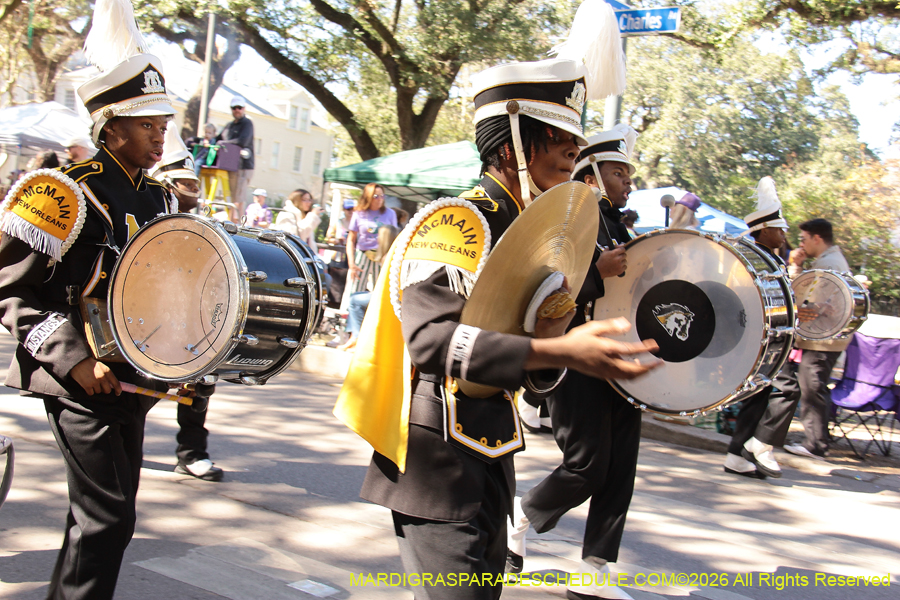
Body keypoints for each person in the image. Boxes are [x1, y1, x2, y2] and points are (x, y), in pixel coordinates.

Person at [334, 9, 657, 594]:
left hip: (492, 454)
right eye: (558, 141)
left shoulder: (526, 233)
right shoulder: (458, 221)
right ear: (512, 145)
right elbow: (431, 342)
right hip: (436, 466)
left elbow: (527, 374)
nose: (571, 156)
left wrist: (554, 335)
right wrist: (559, 348)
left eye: (574, 143)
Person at [0, 4, 177, 595]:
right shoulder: (59, 192)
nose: (160, 137)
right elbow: (10, 291)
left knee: (99, 522)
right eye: (147, 126)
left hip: (134, 377)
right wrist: (73, 356)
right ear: (111, 129)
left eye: (163, 126)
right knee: (108, 521)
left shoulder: (162, 202)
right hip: (80, 378)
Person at [509, 124, 642, 600]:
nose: (628, 180)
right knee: (587, 465)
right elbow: (544, 289)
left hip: (617, 357)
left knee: (620, 467)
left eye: (629, 172)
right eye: (618, 171)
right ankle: (521, 517)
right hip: (574, 355)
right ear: (592, 171)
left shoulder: (622, 224)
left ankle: (596, 569)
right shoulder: (572, 216)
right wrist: (595, 275)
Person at [149, 127, 223, 482]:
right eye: (185, 183)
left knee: (200, 385)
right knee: (139, 390)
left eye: (195, 184)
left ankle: (192, 452)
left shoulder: (203, 223)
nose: (195, 191)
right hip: (143, 317)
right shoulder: (145, 213)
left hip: (189, 317)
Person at [723, 176, 798, 479]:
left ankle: (736, 457)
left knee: (759, 396)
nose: (784, 234)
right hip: (755, 338)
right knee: (789, 388)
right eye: (779, 228)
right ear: (763, 230)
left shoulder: (773, 259)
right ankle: (762, 443)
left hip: (770, 337)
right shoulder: (748, 256)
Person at [781, 218, 852, 459]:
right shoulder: (829, 261)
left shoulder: (828, 265)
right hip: (825, 336)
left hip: (823, 338)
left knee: (812, 386)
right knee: (813, 385)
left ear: (816, 238)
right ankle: (817, 440)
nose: (801, 245)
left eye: (803, 239)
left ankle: (815, 444)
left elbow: (802, 301)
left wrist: (794, 269)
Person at [343, 183, 398, 306]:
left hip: (382, 255)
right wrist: (351, 264)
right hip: (362, 254)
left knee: (381, 290)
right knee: (355, 289)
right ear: (368, 196)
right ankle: (349, 319)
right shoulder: (359, 213)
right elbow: (351, 240)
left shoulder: (390, 213)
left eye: (382, 196)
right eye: (376, 196)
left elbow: (394, 237)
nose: (379, 199)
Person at [217, 95, 254, 218]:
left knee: (238, 198)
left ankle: (239, 226)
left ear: (244, 108)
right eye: (234, 108)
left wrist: (223, 144)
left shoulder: (247, 123)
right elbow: (218, 139)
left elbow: (243, 141)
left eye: (239, 107)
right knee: (231, 197)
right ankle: (230, 222)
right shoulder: (229, 125)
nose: (237, 110)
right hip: (230, 165)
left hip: (243, 166)